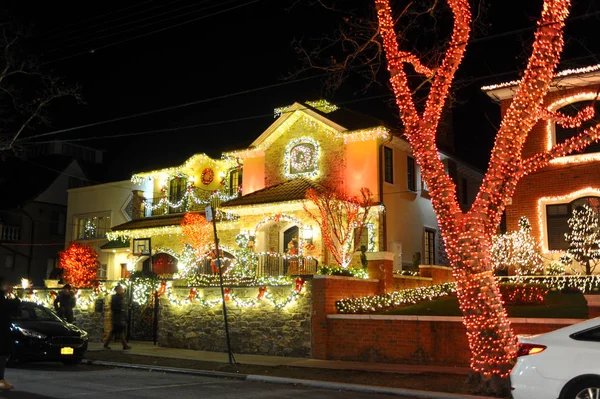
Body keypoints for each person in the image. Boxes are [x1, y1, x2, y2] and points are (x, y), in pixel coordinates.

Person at [0, 277, 20, 390]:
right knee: (2, 355)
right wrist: (14, 296)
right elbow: (13, 305)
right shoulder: (2, 298)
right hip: (2, 331)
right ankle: (1, 380)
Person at [103, 285, 131, 350]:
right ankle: (125, 345)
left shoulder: (121, 297)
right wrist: (121, 310)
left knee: (114, 331)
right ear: (118, 290)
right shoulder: (116, 297)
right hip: (118, 317)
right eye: (121, 289)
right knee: (120, 331)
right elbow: (114, 307)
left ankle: (106, 344)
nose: (122, 290)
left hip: (119, 317)